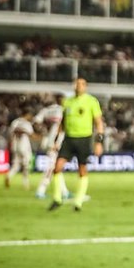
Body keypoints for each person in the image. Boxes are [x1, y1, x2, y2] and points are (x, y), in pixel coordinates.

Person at [48, 76, 104, 212]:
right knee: (57, 167)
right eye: (77, 84)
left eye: (81, 84)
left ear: (85, 86)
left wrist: (99, 142)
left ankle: (78, 202)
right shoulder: (67, 102)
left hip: (84, 139)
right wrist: (56, 140)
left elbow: (98, 122)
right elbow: (62, 123)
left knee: (82, 170)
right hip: (69, 139)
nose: (78, 86)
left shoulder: (91, 101)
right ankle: (57, 199)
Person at [34, 91, 69, 200]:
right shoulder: (63, 110)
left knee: (56, 166)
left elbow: (36, 123)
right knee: (51, 168)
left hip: (47, 140)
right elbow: (60, 127)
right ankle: (40, 191)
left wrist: (44, 133)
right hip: (56, 142)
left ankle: (65, 192)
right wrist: (55, 142)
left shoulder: (46, 110)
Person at [5, 108, 35, 189]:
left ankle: (9, 175)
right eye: (30, 115)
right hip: (24, 146)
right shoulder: (26, 123)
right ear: (27, 114)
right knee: (27, 164)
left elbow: (10, 134)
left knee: (16, 164)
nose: (31, 116)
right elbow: (31, 135)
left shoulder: (15, 122)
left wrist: (10, 144)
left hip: (15, 146)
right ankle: (26, 183)